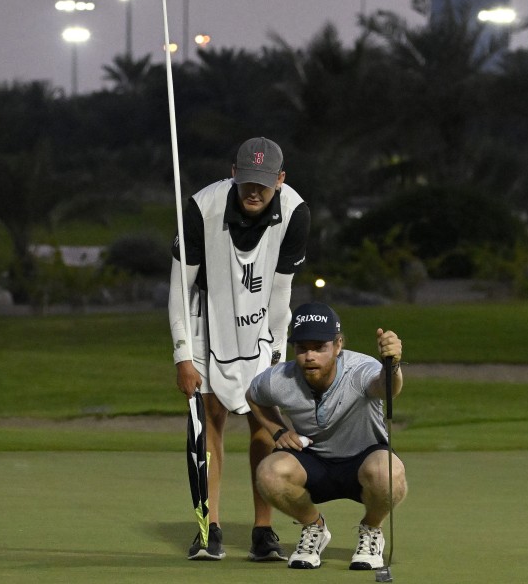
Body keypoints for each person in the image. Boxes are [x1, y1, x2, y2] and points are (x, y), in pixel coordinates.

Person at [169, 137, 311, 561]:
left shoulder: (296, 213)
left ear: (280, 180)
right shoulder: (200, 208)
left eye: (264, 184)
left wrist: (277, 360)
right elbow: (180, 288)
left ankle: (263, 531)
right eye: (247, 180)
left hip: (262, 323)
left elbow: (282, 293)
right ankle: (208, 528)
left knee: (262, 422)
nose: (254, 191)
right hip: (206, 320)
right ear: (234, 172)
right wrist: (182, 355)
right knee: (212, 420)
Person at [245, 302, 407, 570]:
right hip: (313, 463)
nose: (310, 356)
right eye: (302, 348)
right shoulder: (279, 378)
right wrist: (278, 430)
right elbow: (253, 397)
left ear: (338, 345)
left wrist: (393, 364)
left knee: (388, 474)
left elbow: (387, 387)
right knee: (269, 473)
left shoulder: (359, 369)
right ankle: (314, 528)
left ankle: (371, 529)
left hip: (363, 460)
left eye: (319, 347)